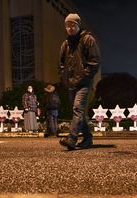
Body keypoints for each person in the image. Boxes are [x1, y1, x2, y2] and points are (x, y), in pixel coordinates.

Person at [58, 13, 100, 150]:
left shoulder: (88, 40)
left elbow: (94, 63)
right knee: (78, 112)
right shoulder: (65, 44)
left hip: (84, 83)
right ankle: (88, 139)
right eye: (67, 25)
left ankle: (72, 139)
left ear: (78, 25)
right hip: (71, 83)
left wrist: (84, 77)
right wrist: (64, 79)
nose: (70, 28)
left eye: (72, 25)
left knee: (77, 108)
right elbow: (61, 65)